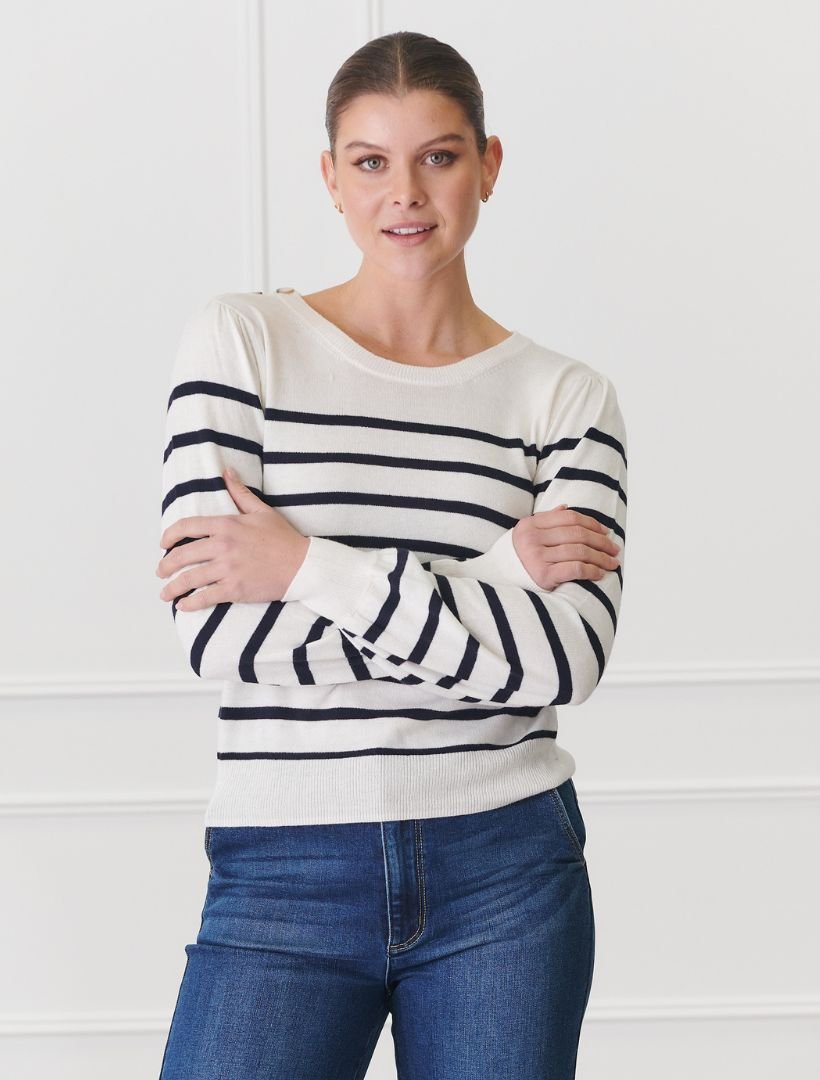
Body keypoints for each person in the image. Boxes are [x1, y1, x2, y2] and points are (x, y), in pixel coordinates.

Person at [155, 29, 627, 1080]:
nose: (404, 193)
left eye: (439, 156)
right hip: (283, 869)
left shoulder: (565, 399)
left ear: (488, 165)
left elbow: (564, 662)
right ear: (330, 177)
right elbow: (221, 639)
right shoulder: (244, 346)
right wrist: (496, 582)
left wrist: (304, 569)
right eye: (370, 161)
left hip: (507, 867)